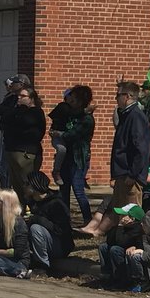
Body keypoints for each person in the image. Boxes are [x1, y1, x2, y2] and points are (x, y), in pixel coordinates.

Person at [79, 81, 150, 237]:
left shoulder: (136, 117)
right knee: (118, 208)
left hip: (130, 175)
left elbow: (141, 149)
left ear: (128, 96)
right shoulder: (126, 115)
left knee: (131, 212)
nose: (115, 98)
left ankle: (132, 242)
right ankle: (108, 235)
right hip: (122, 173)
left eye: (118, 95)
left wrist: (133, 174)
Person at [0, 83, 46, 209]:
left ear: (31, 98)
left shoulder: (36, 113)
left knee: (27, 184)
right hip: (11, 150)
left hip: (26, 153)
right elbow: (2, 118)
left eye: (23, 96)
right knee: (16, 184)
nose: (19, 98)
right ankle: (22, 208)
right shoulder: (16, 111)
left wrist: (14, 124)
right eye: (18, 96)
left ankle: (33, 208)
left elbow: (27, 126)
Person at [54, 85, 96, 226]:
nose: (70, 100)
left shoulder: (87, 119)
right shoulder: (70, 113)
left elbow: (71, 135)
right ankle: (65, 220)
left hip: (79, 158)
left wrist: (59, 134)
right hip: (67, 157)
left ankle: (87, 220)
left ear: (81, 100)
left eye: (74, 98)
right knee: (63, 189)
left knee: (78, 189)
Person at [24, 171, 73, 273]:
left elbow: (61, 230)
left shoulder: (56, 204)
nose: (24, 186)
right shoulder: (30, 202)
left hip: (60, 244)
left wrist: (36, 219)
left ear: (35, 185)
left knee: (36, 229)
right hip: (40, 242)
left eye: (27, 184)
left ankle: (43, 265)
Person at [97, 204, 145, 287]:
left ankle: (122, 279)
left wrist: (120, 227)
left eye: (123, 215)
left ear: (132, 219)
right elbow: (110, 240)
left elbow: (121, 242)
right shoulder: (124, 227)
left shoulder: (137, 229)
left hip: (129, 256)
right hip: (122, 250)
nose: (120, 217)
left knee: (115, 250)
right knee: (103, 247)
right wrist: (118, 227)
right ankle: (107, 275)